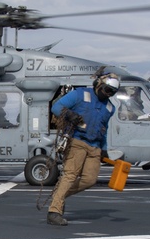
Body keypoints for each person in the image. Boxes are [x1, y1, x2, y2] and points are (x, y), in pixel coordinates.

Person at [46, 73, 118, 226]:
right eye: (107, 89)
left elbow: (104, 128)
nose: (108, 94)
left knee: (89, 180)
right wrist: (70, 114)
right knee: (70, 175)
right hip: (77, 140)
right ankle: (54, 211)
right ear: (98, 84)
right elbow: (56, 107)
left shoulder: (110, 108)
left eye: (112, 92)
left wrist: (104, 149)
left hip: (95, 146)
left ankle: (59, 195)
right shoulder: (80, 94)